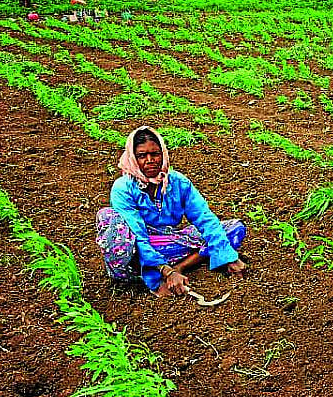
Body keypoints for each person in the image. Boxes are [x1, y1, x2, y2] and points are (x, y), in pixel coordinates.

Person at [96, 126, 247, 297]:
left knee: (233, 228)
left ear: (163, 154)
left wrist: (229, 257)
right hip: (140, 250)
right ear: (132, 158)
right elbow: (138, 236)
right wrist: (164, 273)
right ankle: (151, 274)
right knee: (109, 218)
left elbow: (204, 218)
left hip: (170, 242)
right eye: (142, 156)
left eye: (155, 154)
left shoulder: (178, 182)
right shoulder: (123, 188)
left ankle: (182, 265)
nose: (150, 160)